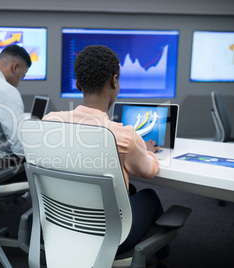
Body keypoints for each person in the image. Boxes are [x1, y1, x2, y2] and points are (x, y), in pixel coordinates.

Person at [42, 45, 170, 268]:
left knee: (129, 191)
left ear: (79, 84)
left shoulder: (49, 122)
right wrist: (147, 152)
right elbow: (149, 171)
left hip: (61, 226)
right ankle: (165, 261)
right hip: (110, 236)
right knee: (148, 195)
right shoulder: (124, 135)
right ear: (115, 81)